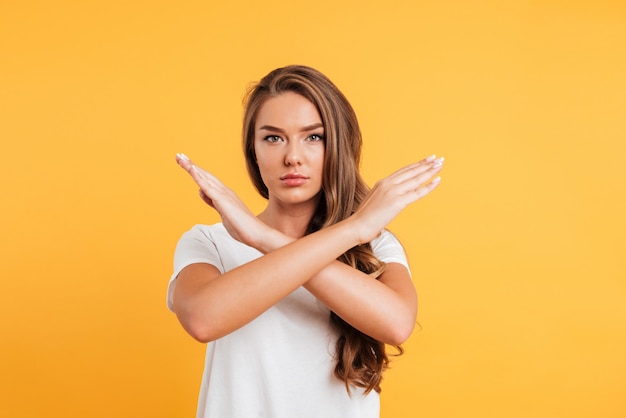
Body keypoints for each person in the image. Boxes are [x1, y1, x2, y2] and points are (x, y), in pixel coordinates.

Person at [167, 65, 444, 418]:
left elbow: (397, 324)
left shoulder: (374, 246)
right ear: (253, 151)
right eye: (273, 138)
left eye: (313, 137)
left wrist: (264, 239)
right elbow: (203, 320)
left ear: (337, 147)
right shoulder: (210, 242)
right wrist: (351, 228)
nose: (292, 156)